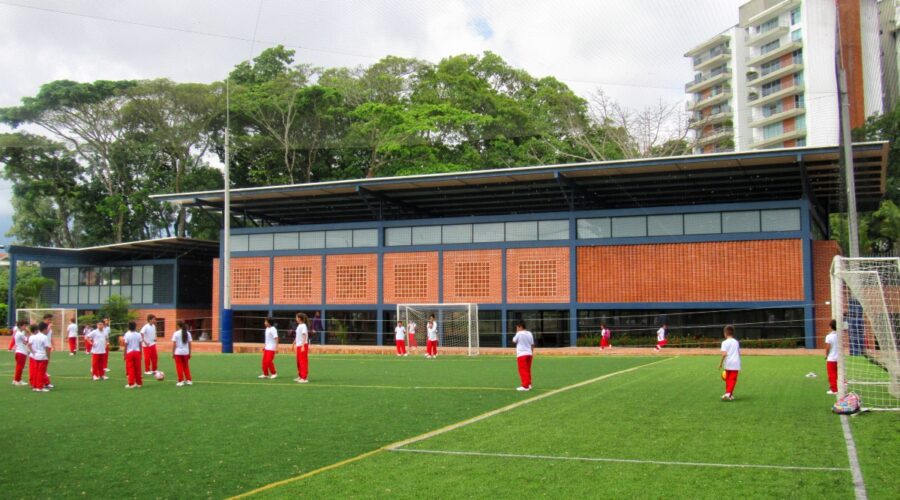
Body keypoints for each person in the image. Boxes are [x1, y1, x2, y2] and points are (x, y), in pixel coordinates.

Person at [27, 322, 52, 392]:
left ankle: (35, 386)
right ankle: (40, 387)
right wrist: (48, 357)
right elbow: (47, 348)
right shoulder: (44, 337)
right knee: (41, 372)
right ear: (44, 329)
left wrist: (33, 352)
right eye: (47, 329)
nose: (48, 330)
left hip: (35, 356)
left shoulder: (33, 336)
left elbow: (28, 345)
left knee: (36, 371)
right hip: (42, 356)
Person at [718, 325, 741, 401]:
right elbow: (738, 352)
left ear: (725, 333)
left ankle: (728, 394)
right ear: (733, 333)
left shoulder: (724, 342)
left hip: (728, 363)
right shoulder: (736, 342)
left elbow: (724, 354)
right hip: (735, 363)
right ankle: (729, 394)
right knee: (732, 379)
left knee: (728, 379)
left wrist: (720, 363)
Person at [512, 322, 534, 391]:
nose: (517, 329)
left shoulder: (519, 333)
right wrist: (531, 352)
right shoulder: (530, 333)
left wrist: (517, 333)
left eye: (517, 328)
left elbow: (514, 341)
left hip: (521, 354)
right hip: (529, 354)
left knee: (523, 370)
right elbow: (532, 344)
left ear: (520, 327)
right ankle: (529, 384)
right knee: (527, 370)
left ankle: (525, 386)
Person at [122, 321, 143, 389]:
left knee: (131, 368)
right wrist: (141, 353)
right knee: (138, 368)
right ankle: (139, 383)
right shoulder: (138, 334)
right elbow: (140, 345)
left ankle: (131, 384)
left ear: (129, 327)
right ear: (135, 326)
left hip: (130, 353)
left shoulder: (127, 334)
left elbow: (125, 345)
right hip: (137, 352)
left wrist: (124, 354)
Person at [172, 321, 192, 387]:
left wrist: (173, 353)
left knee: (179, 367)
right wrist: (189, 352)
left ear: (178, 326)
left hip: (178, 352)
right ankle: (189, 380)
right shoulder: (188, 333)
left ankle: (180, 381)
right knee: (186, 366)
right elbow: (189, 344)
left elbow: (174, 344)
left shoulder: (176, 333)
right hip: (186, 352)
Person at [11, 320, 29, 386]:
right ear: (21, 326)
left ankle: (17, 379)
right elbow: (27, 341)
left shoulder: (19, 333)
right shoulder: (20, 334)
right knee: (20, 367)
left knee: (19, 367)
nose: (26, 327)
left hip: (20, 352)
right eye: (24, 325)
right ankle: (17, 380)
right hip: (21, 352)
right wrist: (28, 333)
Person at [294, 312, 309, 383]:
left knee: (303, 362)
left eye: (296, 317)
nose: (296, 319)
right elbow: (298, 336)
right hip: (298, 345)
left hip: (302, 345)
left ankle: (304, 378)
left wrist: (303, 345)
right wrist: (294, 342)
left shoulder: (303, 326)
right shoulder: (299, 326)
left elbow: (304, 335)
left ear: (299, 318)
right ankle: (300, 376)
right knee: (298, 362)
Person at [825, 319, 839, 395]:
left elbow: (827, 347)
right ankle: (842, 386)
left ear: (830, 327)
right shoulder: (839, 335)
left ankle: (834, 389)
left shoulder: (829, 336)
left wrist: (826, 355)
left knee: (832, 375)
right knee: (838, 374)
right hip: (839, 358)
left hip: (831, 359)